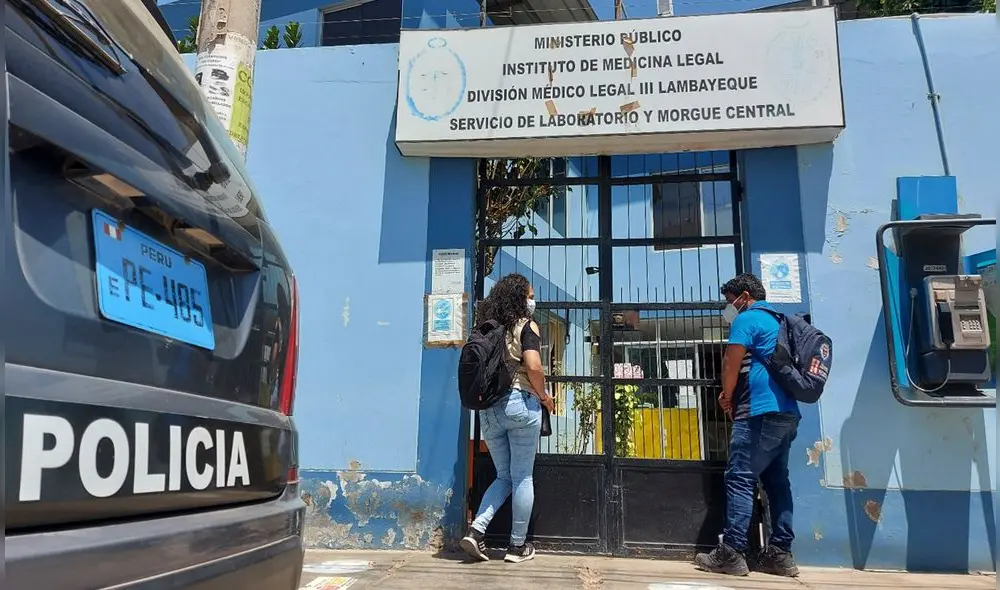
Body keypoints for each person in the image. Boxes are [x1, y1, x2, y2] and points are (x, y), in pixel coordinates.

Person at [695, 273, 801, 577]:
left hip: (758, 410)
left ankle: (731, 552)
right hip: (787, 413)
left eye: (730, 302)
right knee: (776, 481)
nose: (729, 308)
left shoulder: (748, 318)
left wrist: (726, 397)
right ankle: (780, 554)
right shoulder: (780, 321)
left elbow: (731, 363)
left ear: (744, 295)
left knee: (740, 477)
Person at [460, 273, 556, 564]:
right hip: (520, 404)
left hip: (489, 411)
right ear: (520, 298)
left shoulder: (488, 328)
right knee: (522, 476)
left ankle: (476, 531)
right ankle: (517, 547)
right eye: (530, 295)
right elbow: (534, 366)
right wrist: (545, 397)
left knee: (504, 476)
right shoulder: (526, 326)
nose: (532, 300)